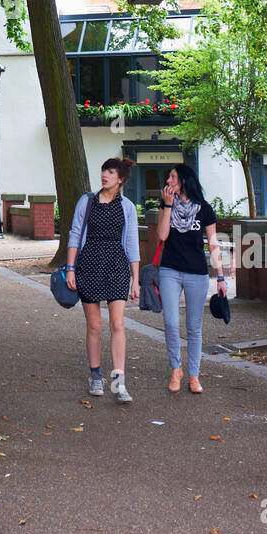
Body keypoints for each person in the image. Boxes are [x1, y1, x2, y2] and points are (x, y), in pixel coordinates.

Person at [65, 158, 140, 402]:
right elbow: (75, 233)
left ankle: (119, 383)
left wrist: (135, 278)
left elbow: (131, 243)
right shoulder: (87, 202)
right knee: (95, 325)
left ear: (121, 179)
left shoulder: (127, 207)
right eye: (103, 170)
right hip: (89, 264)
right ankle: (95, 375)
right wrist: (70, 268)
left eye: (110, 172)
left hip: (117, 266)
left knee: (117, 325)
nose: (104, 175)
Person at [157, 164, 226, 394]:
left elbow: (213, 243)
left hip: (197, 273)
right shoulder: (166, 204)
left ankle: (194, 375)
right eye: (169, 176)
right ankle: (176, 369)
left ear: (184, 180)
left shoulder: (204, 209)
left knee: (194, 328)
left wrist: (221, 277)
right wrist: (167, 205)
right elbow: (162, 235)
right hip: (170, 270)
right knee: (170, 322)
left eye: (173, 176)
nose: (169, 180)